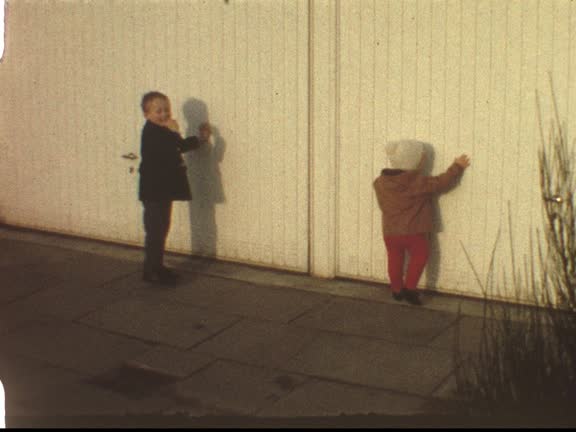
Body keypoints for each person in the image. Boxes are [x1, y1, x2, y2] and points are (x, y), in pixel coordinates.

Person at [373, 140, 471, 305]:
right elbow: (442, 182)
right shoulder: (418, 182)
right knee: (420, 255)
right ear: (414, 160)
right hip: (414, 232)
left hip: (390, 233)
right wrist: (457, 167)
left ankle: (396, 290)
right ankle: (410, 289)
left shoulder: (380, 183)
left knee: (394, 258)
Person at [138, 91, 211, 284]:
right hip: (154, 191)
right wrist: (174, 131)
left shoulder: (163, 130)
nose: (164, 114)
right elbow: (170, 147)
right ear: (147, 114)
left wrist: (200, 139)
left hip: (163, 190)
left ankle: (157, 266)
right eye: (158, 111)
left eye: (166, 110)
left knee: (162, 228)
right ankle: (151, 270)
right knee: (155, 230)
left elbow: (180, 145)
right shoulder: (151, 132)